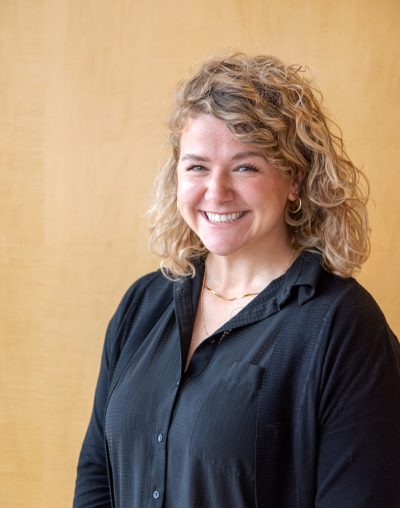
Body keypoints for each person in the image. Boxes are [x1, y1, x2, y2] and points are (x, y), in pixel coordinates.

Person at [73, 53, 400, 508]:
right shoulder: (143, 304)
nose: (217, 191)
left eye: (246, 166)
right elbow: (97, 473)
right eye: (197, 166)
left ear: (295, 179)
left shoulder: (344, 328)